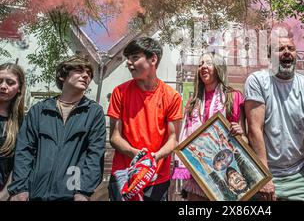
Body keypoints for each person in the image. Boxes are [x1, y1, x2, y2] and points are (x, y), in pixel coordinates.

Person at [245, 26, 304, 201]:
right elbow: (254, 129)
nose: (286, 52)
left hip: (297, 175)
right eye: (279, 49)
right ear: (270, 57)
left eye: (291, 48)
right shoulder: (257, 81)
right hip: (263, 171)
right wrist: (265, 177)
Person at [8, 56, 106, 201]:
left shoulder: (94, 112)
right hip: (34, 193)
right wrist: (20, 188)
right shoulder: (40, 110)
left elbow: (95, 155)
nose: (86, 75)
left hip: (72, 194)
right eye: (79, 70)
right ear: (62, 76)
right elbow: (24, 150)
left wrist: (83, 191)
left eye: (89, 73)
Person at [108, 36, 182, 201]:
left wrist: (153, 158)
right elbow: (114, 137)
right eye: (128, 58)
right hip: (123, 175)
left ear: (153, 59)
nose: (129, 63)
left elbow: (173, 139)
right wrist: (138, 156)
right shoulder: (119, 92)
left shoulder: (172, 96)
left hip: (157, 179)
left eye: (135, 57)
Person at [172, 52, 246, 201]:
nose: (203, 67)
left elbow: (244, 138)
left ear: (219, 68)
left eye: (208, 63)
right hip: (197, 172)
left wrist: (240, 132)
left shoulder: (233, 97)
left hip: (224, 171)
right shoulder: (193, 102)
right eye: (200, 64)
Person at [0, 63, 26, 201]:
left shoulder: (22, 124)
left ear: (19, 89)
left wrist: (5, 194)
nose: (3, 86)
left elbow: (19, 163)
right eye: (0, 81)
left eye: (10, 83)